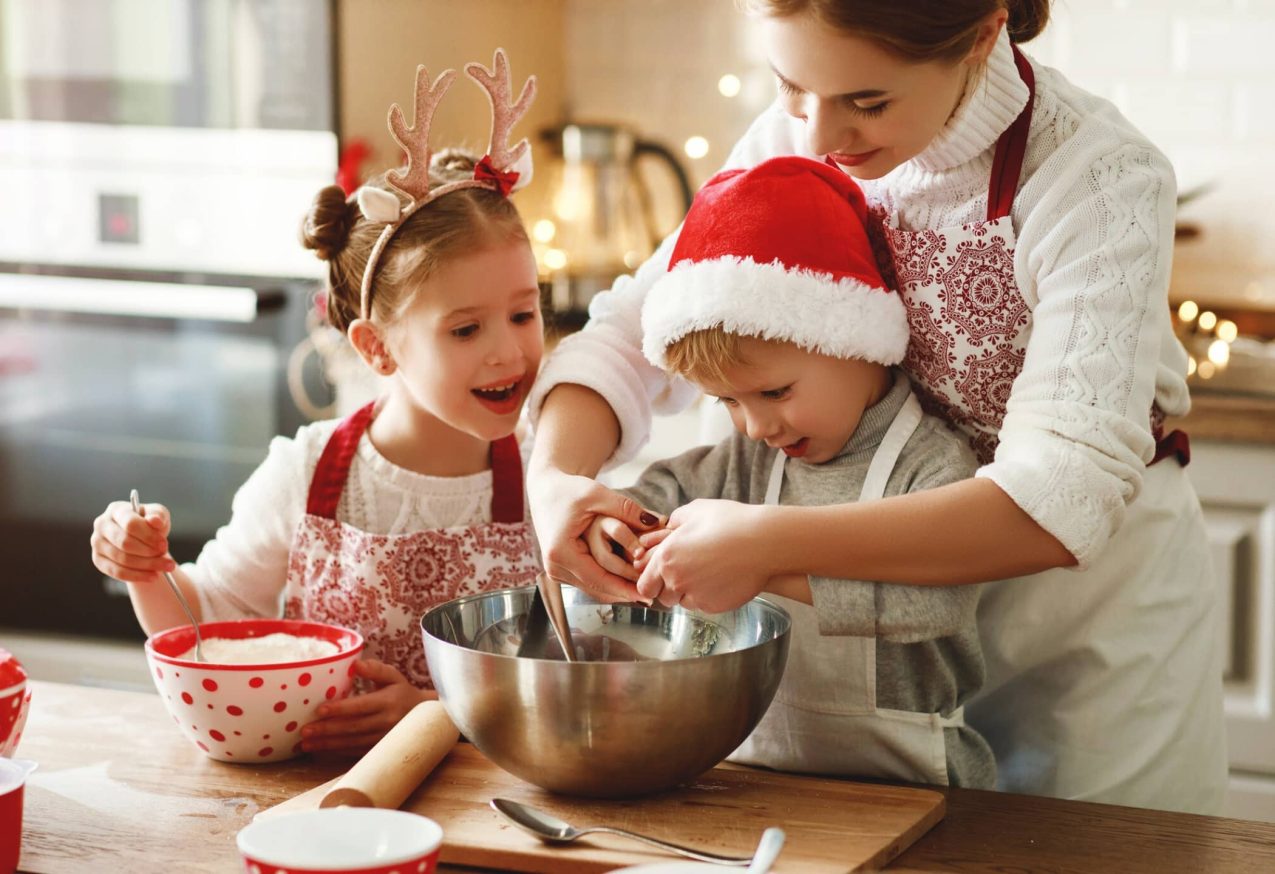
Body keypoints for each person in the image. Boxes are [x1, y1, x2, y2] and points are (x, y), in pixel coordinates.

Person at [525, 1, 1228, 813]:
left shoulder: (1094, 176)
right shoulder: (794, 137)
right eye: (791, 85)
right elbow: (628, 330)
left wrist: (767, 545)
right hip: (879, 632)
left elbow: (1059, 498)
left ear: (981, 32)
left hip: (1083, 622)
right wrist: (552, 482)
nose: (820, 135)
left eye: (868, 102)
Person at [89, 52, 543, 754]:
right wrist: (147, 566)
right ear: (377, 348)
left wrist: (435, 714)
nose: (508, 352)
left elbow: (577, 680)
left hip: (491, 814)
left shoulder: (550, 478)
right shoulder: (306, 474)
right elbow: (205, 624)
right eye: (465, 328)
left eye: (523, 314)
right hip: (318, 806)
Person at [586, 156, 994, 787]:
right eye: (728, 402)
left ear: (857, 340)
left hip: (916, 789)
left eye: (774, 393)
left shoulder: (931, 463)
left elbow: (929, 604)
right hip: (764, 783)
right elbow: (657, 493)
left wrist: (758, 562)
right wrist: (616, 528)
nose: (754, 426)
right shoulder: (750, 461)